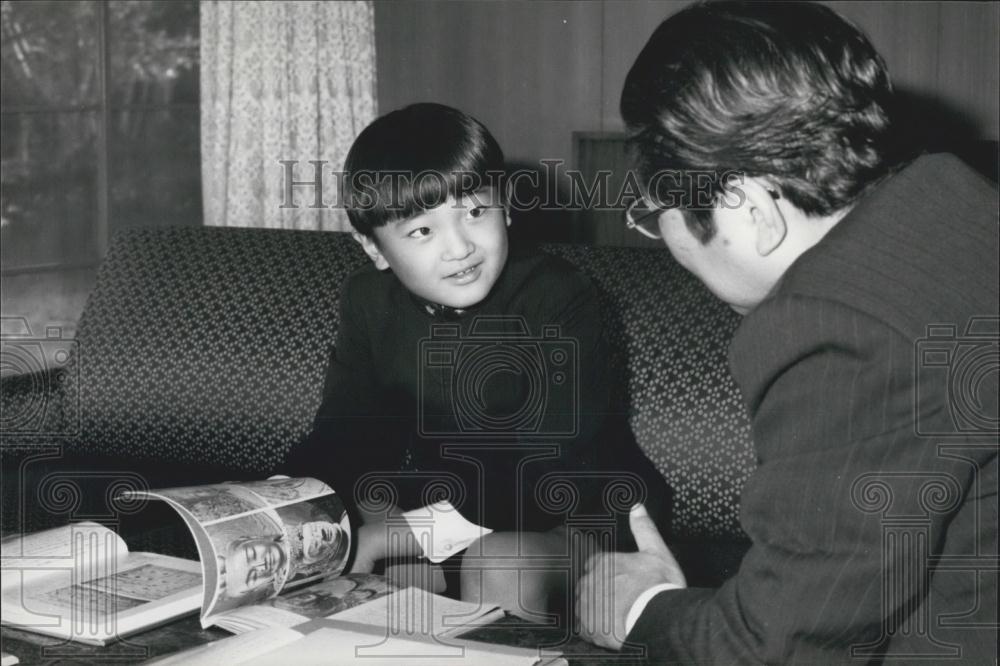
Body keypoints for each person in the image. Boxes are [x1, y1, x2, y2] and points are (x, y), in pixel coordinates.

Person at [576, 1, 998, 662]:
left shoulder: (835, 328)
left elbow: (781, 651)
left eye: (656, 210)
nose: (666, 240)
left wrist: (638, 606)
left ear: (751, 211)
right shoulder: (957, 198)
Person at [284, 103, 668, 619]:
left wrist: (399, 534)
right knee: (335, 524)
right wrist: (282, 501)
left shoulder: (557, 297)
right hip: (454, 504)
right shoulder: (367, 301)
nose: (460, 247)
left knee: (498, 559)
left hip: (580, 510)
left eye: (475, 211)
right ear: (373, 248)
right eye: (422, 231)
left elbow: (538, 471)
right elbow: (341, 438)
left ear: (506, 207)